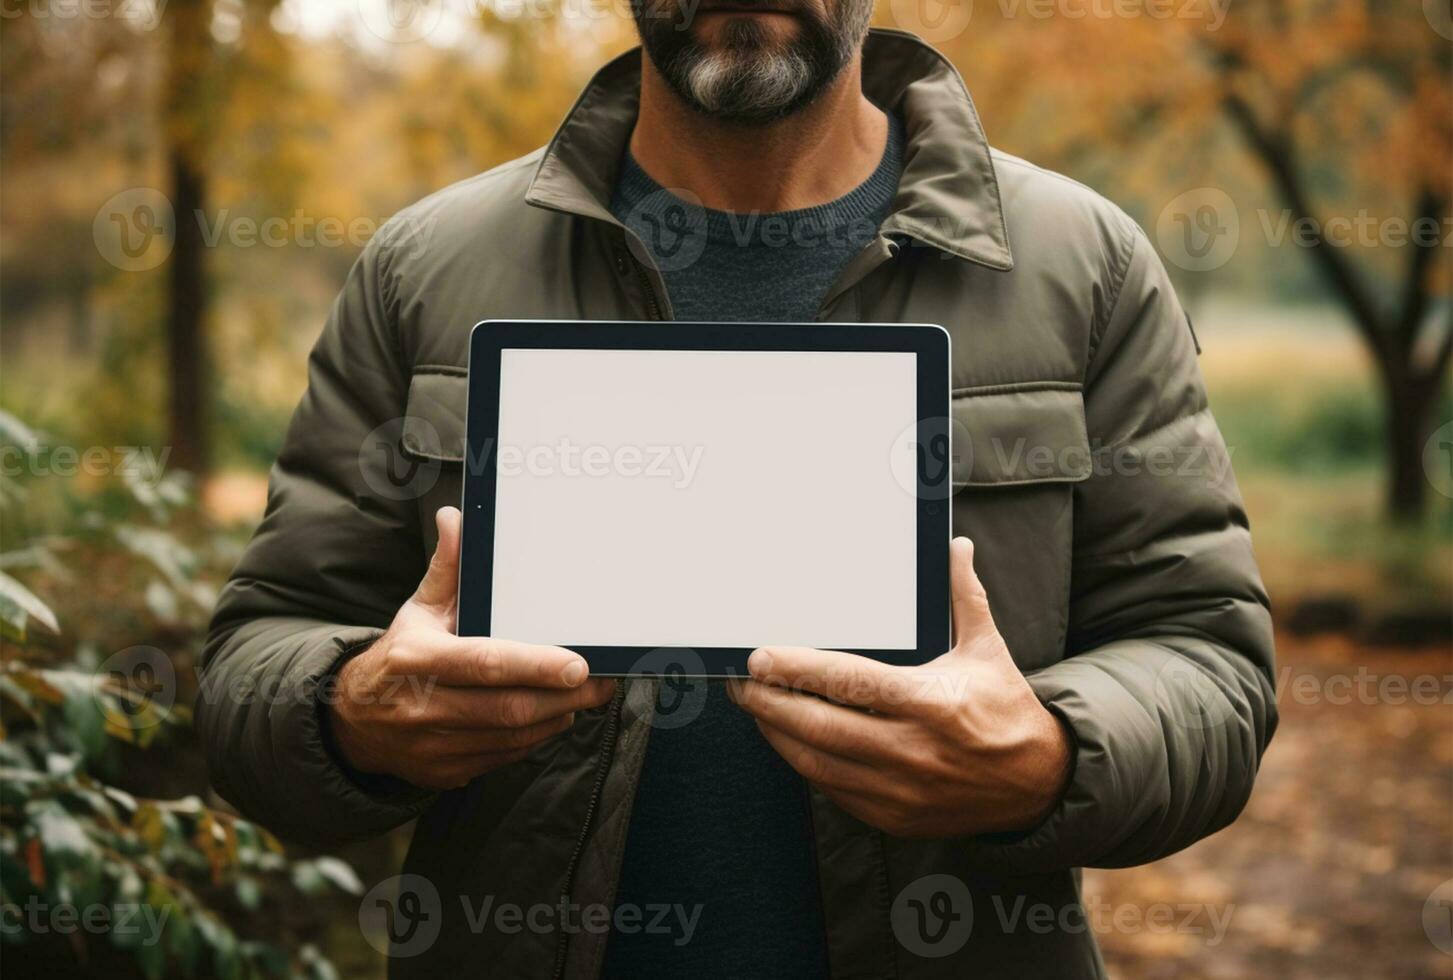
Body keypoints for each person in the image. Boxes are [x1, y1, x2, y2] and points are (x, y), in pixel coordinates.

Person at [198, 6, 1277, 978]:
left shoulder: (1082, 266)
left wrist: (1048, 755)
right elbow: (252, 663)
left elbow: (1206, 662)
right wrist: (351, 715)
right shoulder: (422, 270)